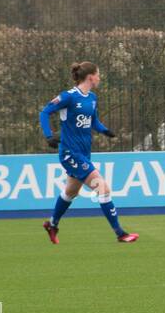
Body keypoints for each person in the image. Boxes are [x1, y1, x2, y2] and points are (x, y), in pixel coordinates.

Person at [39, 61, 137, 244]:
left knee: (71, 191)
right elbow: (44, 113)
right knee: (103, 188)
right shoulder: (68, 96)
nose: (99, 78)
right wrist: (48, 135)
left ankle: (52, 224)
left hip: (84, 153)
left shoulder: (92, 97)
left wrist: (105, 131)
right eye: (98, 75)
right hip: (70, 153)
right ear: (90, 77)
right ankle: (120, 233)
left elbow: (94, 122)